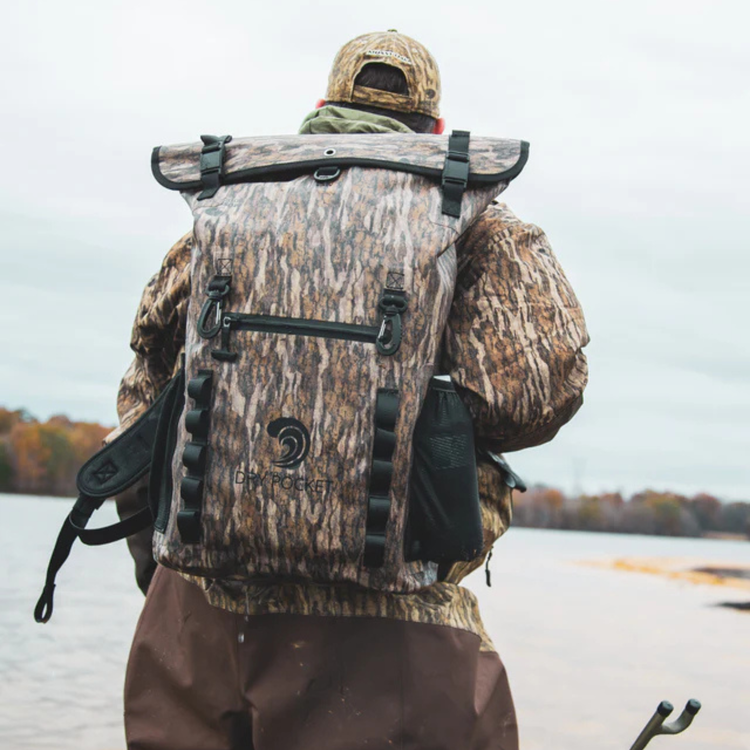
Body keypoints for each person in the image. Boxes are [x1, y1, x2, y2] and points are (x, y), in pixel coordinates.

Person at [114, 30, 589, 750]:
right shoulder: (478, 222)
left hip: (198, 624)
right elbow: (533, 397)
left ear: (320, 109)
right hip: (398, 636)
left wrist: (161, 571)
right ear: (433, 129)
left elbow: (142, 402)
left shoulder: (226, 210)